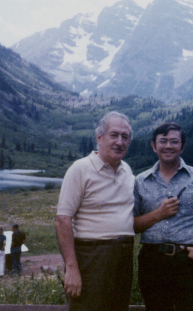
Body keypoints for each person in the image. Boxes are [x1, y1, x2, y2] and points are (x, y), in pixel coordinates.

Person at [134, 122, 193, 311]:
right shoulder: (140, 181)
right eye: (163, 141)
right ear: (154, 146)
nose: (168, 146)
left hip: (190, 259)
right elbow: (132, 225)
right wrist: (158, 214)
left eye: (174, 141)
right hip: (152, 261)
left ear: (182, 146)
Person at [56, 111, 135, 311]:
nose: (120, 142)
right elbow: (63, 220)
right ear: (99, 137)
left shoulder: (127, 170)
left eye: (125, 137)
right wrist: (72, 268)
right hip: (91, 258)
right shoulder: (80, 169)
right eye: (114, 135)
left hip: (123, 256)